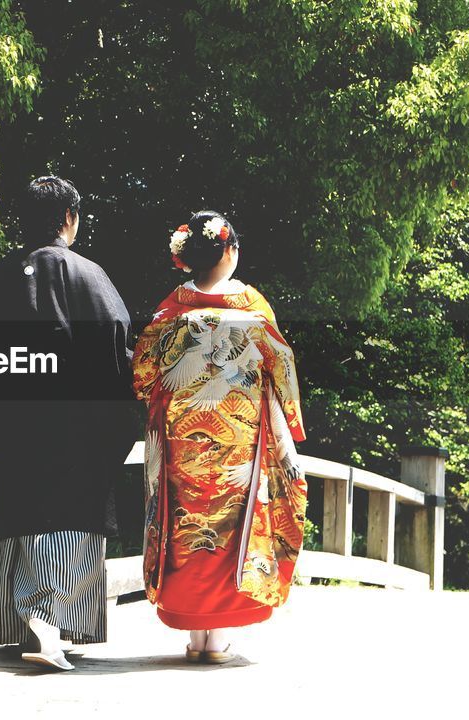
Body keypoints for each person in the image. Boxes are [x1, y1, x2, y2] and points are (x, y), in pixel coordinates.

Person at [0, 176, 135, 671]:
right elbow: (119, 356)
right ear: (69, 219)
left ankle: (29, 626)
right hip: (80, 435)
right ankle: (47, 632)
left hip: (16, 433)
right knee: (71, 531)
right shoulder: (91, 277)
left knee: (24, 527)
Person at [132, 211, 308, 663]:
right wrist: (290, 418)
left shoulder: (171, 309)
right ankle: (218, 635)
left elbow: (143, 371)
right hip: (239, 442)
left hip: (182, 444)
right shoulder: (252, 306)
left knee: (185, 529)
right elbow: (281, 362)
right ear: (229, 251)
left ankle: (194, 634)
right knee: (232, 526)